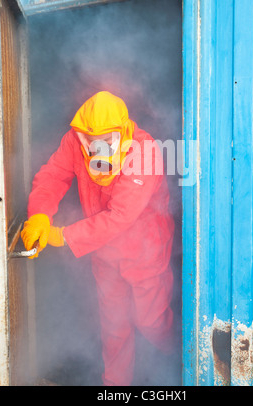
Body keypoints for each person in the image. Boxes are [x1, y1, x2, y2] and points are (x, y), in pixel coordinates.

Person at [21, 91, 175, 386]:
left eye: (106, 139)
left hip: (145, 250)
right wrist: (40, 213)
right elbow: (54, 175)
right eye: (90, 140)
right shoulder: (75, 141)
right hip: (103, 252)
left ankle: (182, 367)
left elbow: (120, 216)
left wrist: (63, 236)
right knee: (114, 327)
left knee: (151, 322)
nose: (97, 147)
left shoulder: (145, 152)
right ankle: (114, 388)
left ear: (123, 131)